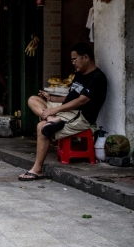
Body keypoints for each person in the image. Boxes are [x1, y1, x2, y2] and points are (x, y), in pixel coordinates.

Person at [19, 43, 107, 181]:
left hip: (80, 116)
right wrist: (51, 98)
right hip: (66, 110)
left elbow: (81, 101)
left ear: (85, 57)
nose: (73, 63)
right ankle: (52, 119)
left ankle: (37, 169)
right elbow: (70, 98)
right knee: (33, 99)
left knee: (41, 127)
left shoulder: (97, 78)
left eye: (74, 59)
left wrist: (54, 109)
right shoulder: (79, 75)